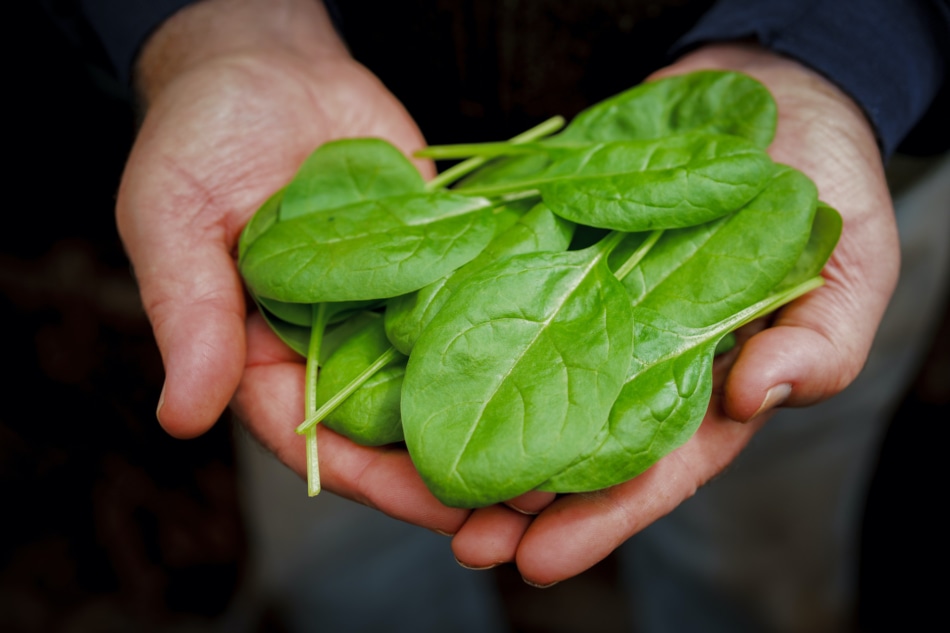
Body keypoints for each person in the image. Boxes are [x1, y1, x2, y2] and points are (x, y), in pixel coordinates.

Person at [44, 0, 949, 631]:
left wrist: (846, 43)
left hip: (872, 129)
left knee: (759, 541)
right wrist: (213, 21)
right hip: (345, 122)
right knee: (341, 565)